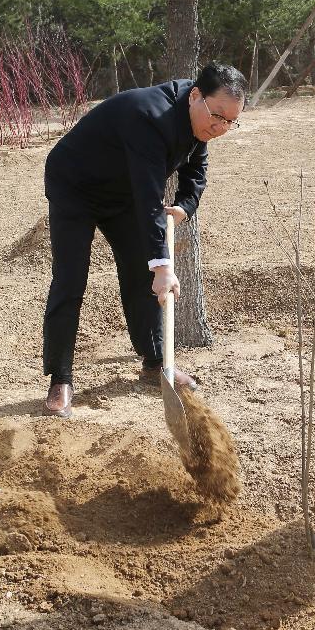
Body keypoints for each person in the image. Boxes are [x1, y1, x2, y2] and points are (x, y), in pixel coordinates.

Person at [43, 62, 247, 418]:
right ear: (195, 96)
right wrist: (163, 265)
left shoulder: (200, 118)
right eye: (217, 117)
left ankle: (155, 365)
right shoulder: (151, 116)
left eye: (230, 122)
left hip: (121, 192)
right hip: (75, 186)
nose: (220, 128)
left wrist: (184, 205)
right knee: (71, 279)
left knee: (141, 274)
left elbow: (196, 167)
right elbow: (148, 195)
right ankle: (60, 379)